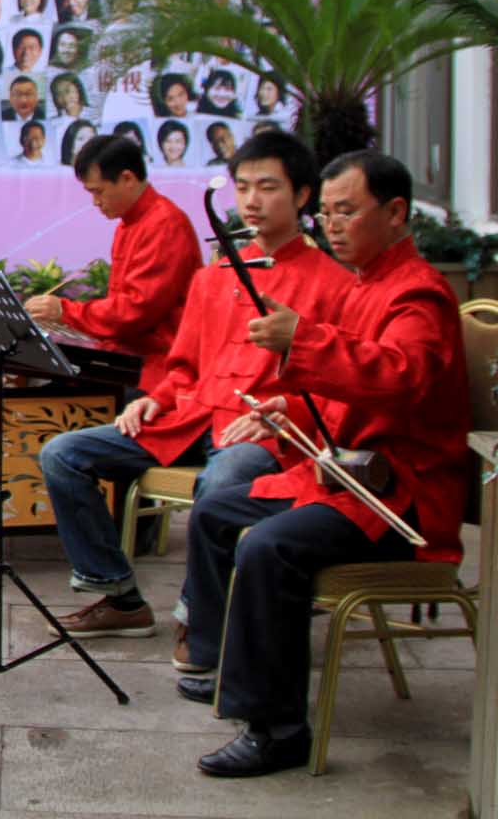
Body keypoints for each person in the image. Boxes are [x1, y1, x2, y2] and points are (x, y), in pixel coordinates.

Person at [177, 151, 470, 777]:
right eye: (328, 213)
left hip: (399, 496)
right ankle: (219, 665)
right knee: (216, 512)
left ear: (395, 213)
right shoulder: (365, 284)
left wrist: (303, 340)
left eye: (347, 212)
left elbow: (401, 376)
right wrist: (288, 407)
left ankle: (277, 730)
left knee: (270, 547)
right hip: (348, 478)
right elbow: (346, 394)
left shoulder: (418, 293)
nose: (332, 225)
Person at [37, 130, 353, 640]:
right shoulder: (218, 274)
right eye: (243, 187)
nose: (251, 200)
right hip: (194, 416)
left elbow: (339, 381)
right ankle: (117, 593)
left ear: (301, 195)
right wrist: (157, 399)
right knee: (63, 454)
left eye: (267, 187)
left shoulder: (333, 282)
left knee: (222, 482)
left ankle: (199, 614)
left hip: (261, 429)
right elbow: (185, 365)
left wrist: (285, 411)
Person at [26, 135, 200, 394]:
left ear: (127, 178)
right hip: (126, 360)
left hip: (154, 371)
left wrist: (66, 312)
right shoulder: (129, 223)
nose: (95, 202)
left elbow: (135, 311)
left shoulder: (165, 224)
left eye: (98, 191)